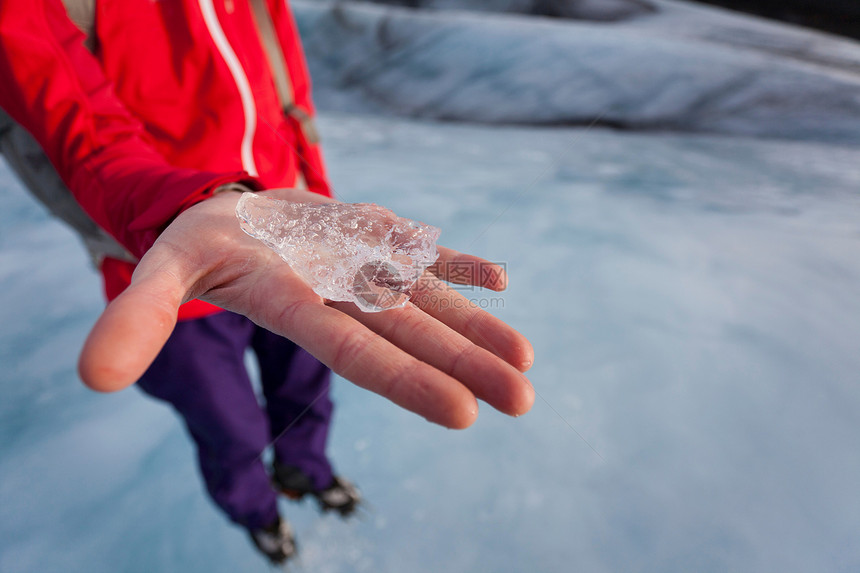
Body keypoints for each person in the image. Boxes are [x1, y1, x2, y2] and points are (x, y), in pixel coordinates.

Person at [0, 0, 535, 564]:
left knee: (307, 386)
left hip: (293, 245)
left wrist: (321, 212)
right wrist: (185, 206)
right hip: (170, 261)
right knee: (229, 425)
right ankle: (258, 511)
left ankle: (306, 472)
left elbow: (286, 103)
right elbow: (85, 131)